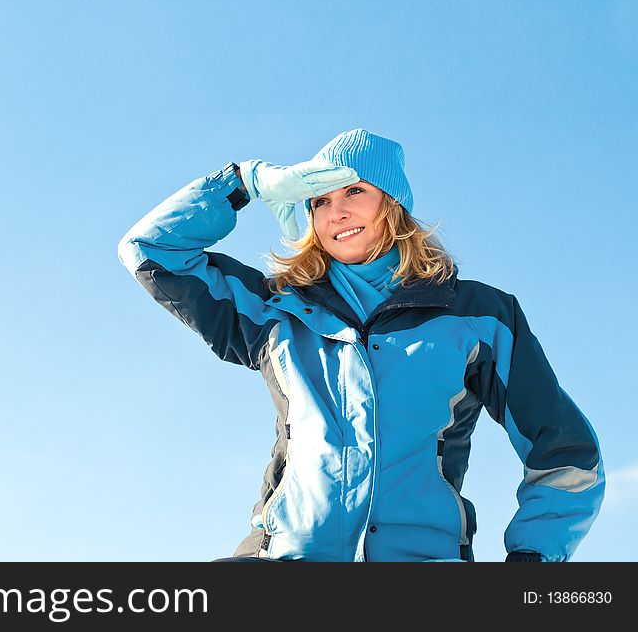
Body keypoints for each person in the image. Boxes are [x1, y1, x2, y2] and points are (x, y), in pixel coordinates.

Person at [116, 128, 605, 562]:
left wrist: (533, 559)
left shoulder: (478, 316)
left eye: (354, 191)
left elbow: (564, 450)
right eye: (319, 200)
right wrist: (243, 182)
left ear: (392, 205)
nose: (338, 211)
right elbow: (150, 250)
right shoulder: (274, 311)